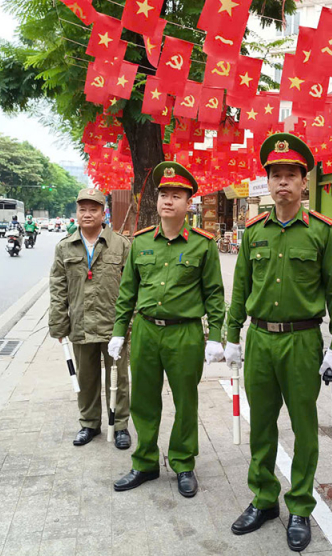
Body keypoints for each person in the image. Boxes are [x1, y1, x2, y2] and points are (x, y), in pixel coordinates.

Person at [225, 133, 332, 552]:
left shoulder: (322, 232)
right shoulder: (253, 232)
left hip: (302, 342)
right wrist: (231, 337)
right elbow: (240, 286)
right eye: (276, 175)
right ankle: (263, 499)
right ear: (268, 183)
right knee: (260, 424)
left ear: (303, 184)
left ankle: (299, 506)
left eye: (291, 175)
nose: (283, 182)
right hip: (259, 340)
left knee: (303, 428)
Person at [108, 161, 225, 498]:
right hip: (145, 331)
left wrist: (214, 336)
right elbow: (127, 291)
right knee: (144, 399)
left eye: (177, 195)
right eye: (163, 195)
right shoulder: (141, 242)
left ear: (189, 204)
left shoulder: (203, 245)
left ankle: (183, 462)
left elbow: (214, 294)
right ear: (157, 202)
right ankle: (144, 462)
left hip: (184, 333)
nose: (168, 201)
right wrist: (120, 331)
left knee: (186, 401)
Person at [49, 188, 133, 450]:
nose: (87, 214)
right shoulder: (64, 247)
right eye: (82, 209)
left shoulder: (121, 244)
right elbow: (58, 287)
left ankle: (119, 425)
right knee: (86, 378)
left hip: (114, 325)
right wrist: (58, 324)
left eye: (93, 209)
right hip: (81, 324)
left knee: (118, 378)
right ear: (77, 212)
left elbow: (133, 287)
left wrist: (130, 322)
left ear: (102, 212)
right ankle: (89, 424)